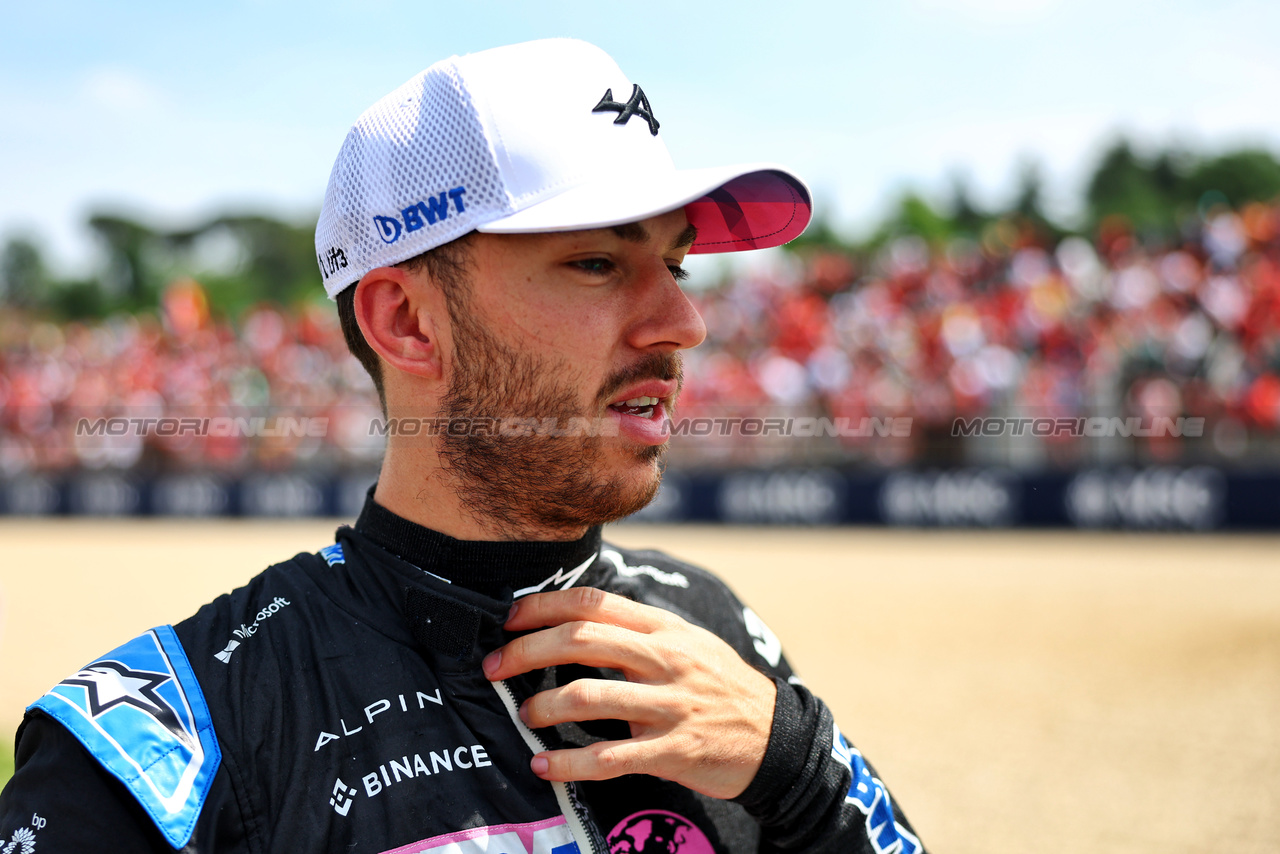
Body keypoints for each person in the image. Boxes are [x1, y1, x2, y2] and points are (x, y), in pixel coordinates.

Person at [0, 39, 925, 854]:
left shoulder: (712, 630)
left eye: (676, 264)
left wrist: (796, 770)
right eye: (599, 262)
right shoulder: (164, 740)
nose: (684, 322)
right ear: (406, 322)